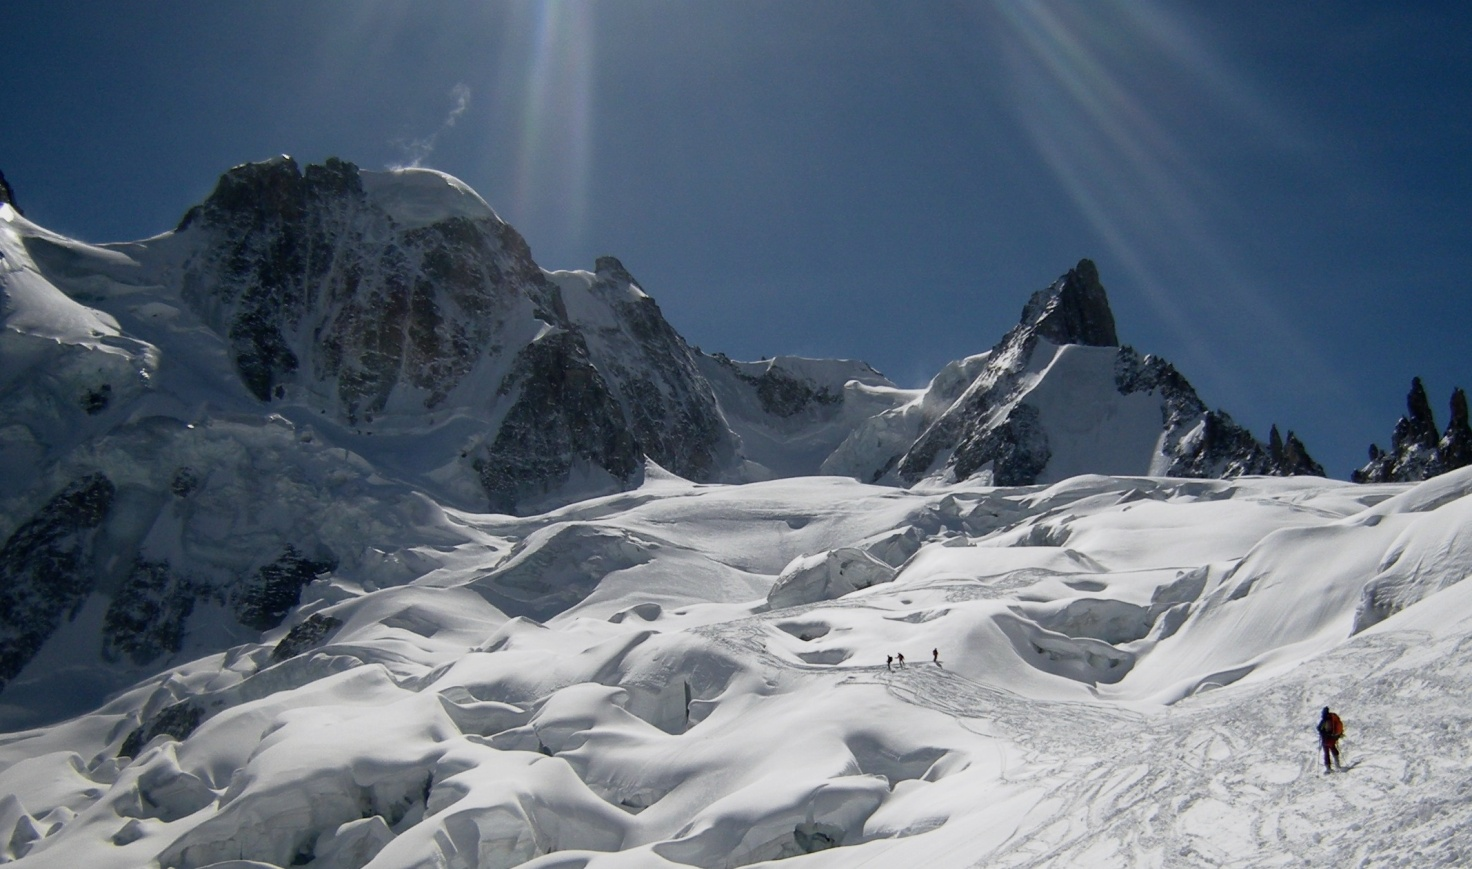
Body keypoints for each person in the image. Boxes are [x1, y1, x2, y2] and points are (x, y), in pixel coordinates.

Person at [1317, 706, 1344, 772]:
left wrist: (1322, 732)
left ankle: (1328, 768)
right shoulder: (1332, 718)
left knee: (1326, 753)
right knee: (1333, 749)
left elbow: (1318, 728)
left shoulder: (1324, 719)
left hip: (1325, 739)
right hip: (1332, 738)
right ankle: (1337, 765)